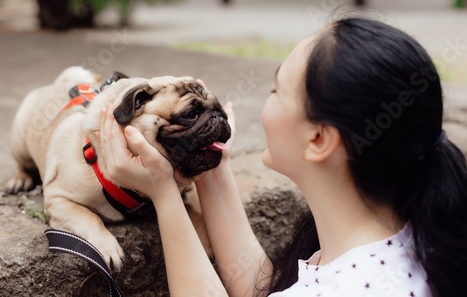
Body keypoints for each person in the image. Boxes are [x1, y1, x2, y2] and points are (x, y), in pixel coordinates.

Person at [97, 17, 467, 297]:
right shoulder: (407, 238)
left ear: (319, 139)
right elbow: (264, 290)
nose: (265, 100)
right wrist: (211, 166)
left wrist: (164, 194)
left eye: (277, 90)